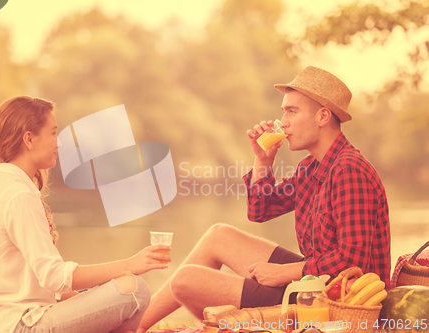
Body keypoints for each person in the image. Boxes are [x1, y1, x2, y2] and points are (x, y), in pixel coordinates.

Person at [136, 66, 390, 332]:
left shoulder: (349, 170)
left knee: (185, 280)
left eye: (292, 111)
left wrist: (285, 273)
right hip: (313, 281)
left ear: (323, 116)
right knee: (218, 235)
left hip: (338, 302)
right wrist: (262, 160)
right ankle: (136, 326)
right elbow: (260, 211)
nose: (284, 122)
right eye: (283, 112)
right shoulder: (310, 168)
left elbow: (354, 262)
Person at [0, 96, 172, 333]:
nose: (58, 143)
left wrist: (91, 297)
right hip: (13, 326)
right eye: (53, 133)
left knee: (102, 292)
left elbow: (45, 284)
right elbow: (53, 277)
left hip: (2, 322)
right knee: (134, 290)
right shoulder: (18, 195)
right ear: (29, 138)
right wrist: (130, 264)